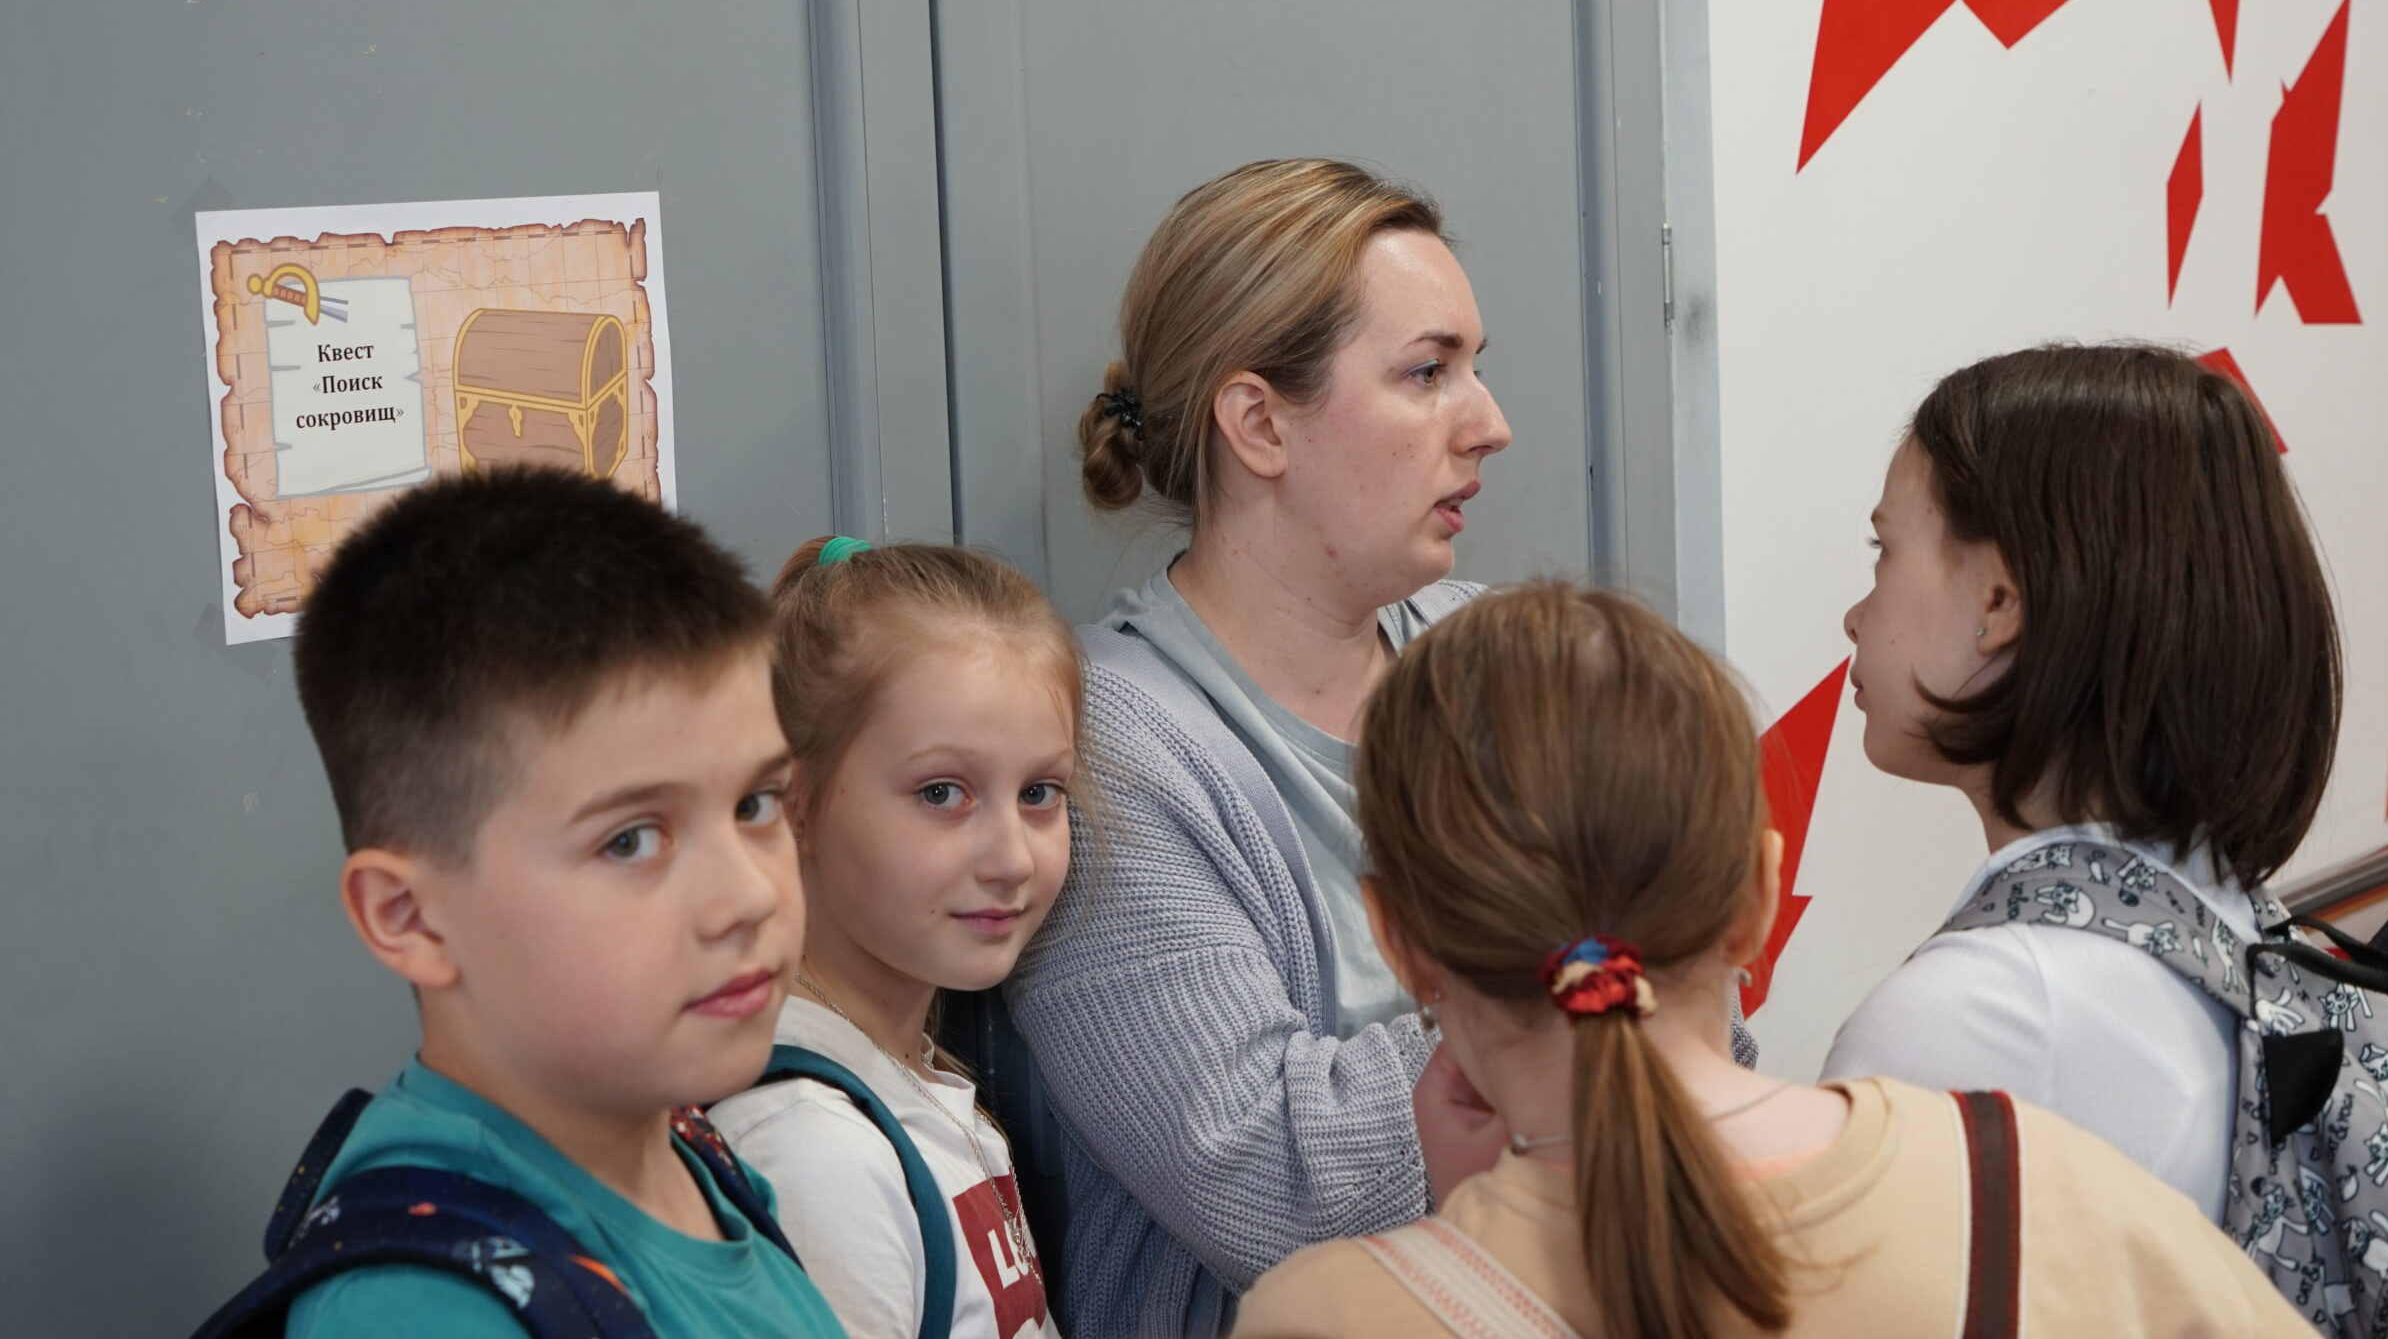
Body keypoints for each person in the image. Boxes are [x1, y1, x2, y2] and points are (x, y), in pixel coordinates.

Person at [1008, 157, 1756, 1338]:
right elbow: (1273, 1183)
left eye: (1474, 366)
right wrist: (1605, 994)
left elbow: (1710, 1047)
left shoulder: (1496, 658)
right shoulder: (1104, 746)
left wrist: (1576, 1010)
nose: (1490, 425)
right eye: (1427, 372)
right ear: (1259, 423)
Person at [1233, 582, 2319, 1339]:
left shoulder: (1329, 1316)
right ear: (1757, 896)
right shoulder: (2033, 1186)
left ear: (1400, 941)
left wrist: (1464, 1225)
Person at [276, 468, 842, 1338]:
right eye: (631, 840)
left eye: (755, 805)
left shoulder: (692, 1152)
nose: (750, 895)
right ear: (410, 917)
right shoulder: (423, 1313)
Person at [1821, 343, 2342, 1216]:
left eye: (1885, 549)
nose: (1855, 616)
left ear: (2000, 601)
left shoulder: (1972, 1020)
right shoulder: (2218, 914)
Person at [710, 540, 1076, 1339]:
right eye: (942, 793)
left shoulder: (903, 1080)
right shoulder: (812, 1150)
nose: (1013, 859)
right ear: (793, 804)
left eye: (1040, 793)